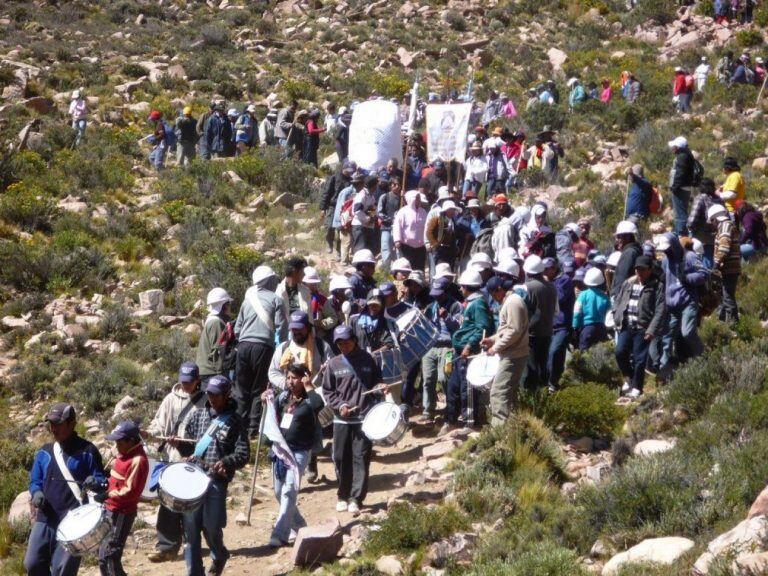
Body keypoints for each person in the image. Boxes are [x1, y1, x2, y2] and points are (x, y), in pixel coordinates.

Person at [25, 403, 106, 576]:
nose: (53, 429)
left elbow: (101, 480)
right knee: (32, 563)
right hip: (45, 517)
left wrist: (95, 481)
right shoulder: (44, 452)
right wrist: (36, 492)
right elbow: (35, 480)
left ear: (72, 423)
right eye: (51, 424)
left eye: (58, 424)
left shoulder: (88, 451)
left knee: (62, 570)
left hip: (74, 520)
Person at [181, 375, 249, 576]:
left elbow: (243, 453)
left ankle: (219, 554)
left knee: (211, 527)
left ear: (227, 395)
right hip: (194, 478)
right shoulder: (198, 416)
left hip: (216, 482)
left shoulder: (235, 421)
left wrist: (226, 462)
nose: (211, 398)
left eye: (216, 395)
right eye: (209, 393)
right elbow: (189, 443)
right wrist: (182, 447)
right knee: (191, 532)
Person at [144, 363, 207, 562]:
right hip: (172, 459)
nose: (186, 384)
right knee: (168, 503)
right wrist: (149, 433)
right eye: (183, 381)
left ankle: (193, 543)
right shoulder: (170, 399)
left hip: (194, 460)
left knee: (192, 504)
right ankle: (167, 547)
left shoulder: (206, 401)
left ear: (197, 380)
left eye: (189, 381)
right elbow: (159, 425)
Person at [322, 325, 385, 515]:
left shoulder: (368, 359)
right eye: (340, 343)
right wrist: (340, 405)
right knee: (341, 458)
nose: (344, 345)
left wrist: (381, 387)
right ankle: (342, 495)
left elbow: (376, 382)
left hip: (364, 419)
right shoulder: (333, 364)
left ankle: (356, 499)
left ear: (355, 340)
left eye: (347, 341)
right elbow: (328, 391)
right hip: (341, 420)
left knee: (361, 458)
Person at [263, 364, 318, 546]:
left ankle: (280, 534)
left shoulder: (310, 399)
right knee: (279, 492)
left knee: (288, 491)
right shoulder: (284, 398)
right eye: (288, 378)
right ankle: (300, 526)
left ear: (303, 379)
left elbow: (320, 407)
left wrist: (309, 387)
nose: (291, 381)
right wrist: (265, 399)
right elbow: (270, 411)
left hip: (300, 452)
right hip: (280, 450)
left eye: (295, 378)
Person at [235, 265, 287, 437]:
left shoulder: (247, 300)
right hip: (263, 347)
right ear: (269, 281)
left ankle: (240, 428)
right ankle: (253, 429)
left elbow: (237, 329)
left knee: (242, 389)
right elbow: (282, 328)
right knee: (259, 389)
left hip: (243, 347)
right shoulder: (276, 300)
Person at [441, 269, 494, 435]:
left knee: (467, 388)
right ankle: (451, 419)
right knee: (453, 386)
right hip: (460, 352)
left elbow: (482, 328)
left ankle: (470, 423)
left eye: (462, 287)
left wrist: (469, 346)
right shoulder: (471, 303)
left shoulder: (478, 304)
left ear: (466, 286)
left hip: (469, 354)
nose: (460, 290)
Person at [98, 420, 149, 576]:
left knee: (111, 555)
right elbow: (116, 481)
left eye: (119, 441)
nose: (116, 445)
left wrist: (108, 494)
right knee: (102, 556)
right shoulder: (123, 455)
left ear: (131, 441)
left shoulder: (138, 460)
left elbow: (131, 491)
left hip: (122, 513)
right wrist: (102, 485)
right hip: (109, 509)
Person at [613, 255, 666, 398]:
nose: (639, 273)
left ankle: (637, 387)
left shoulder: (657, 286)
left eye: (642, 270)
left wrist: (651, 329)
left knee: (639, 358)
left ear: (649, 270)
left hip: (643, 327)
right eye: (637, 270)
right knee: (620, 352)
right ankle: (630, 377)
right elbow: (618, 300)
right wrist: (616, 315)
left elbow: (660, 310)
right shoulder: (628, 283)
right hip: (626, 325)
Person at [655, 233, 706, 382]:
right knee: (666, 337)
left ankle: (701, 357)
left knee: (687, 332)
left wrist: (688, 278)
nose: (666, 251)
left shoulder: (689, 257)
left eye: (668, 248)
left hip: (687, 302)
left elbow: (704, 274)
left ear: (674, 245)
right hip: (672, 305)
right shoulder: (665, 261)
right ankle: (663, 371)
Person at [480, 276, 529, 426]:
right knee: (509, 393)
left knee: (498, 392)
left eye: (494, 295)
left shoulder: (513, 302)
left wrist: (495, 347)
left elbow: (514, 331)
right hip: (513, 353)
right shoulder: (511, 301)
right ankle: (513, 428)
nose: (494, 299)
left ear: (499, 290)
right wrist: (493, 339)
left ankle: (499, 432)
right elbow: (507, 329)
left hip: (513, 355)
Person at [421, 277, 461, 422]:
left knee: (445, 377)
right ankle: (428, 410)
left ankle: (451, 408)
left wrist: (447, 318)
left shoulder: (456, 306)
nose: (437, 297)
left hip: (449, 346)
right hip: (431, 346)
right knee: (428, 379)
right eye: (435, 294)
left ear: (446, 292)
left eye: (440, 294)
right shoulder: (431, 307)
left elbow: (460, 327)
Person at [268, 311, 333, 389]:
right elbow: (273, 373)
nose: (296, 332)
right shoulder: (283, 348)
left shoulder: (322, 346)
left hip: (317, 395)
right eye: (294, 329)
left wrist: (326, 372)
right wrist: (287, 384)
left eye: (299, 328)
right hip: (293, 396)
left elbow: (334, 370)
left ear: (308, 327)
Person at [522, 255, 558, 391]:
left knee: (531, 368)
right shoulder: (552, 288)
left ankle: (531, 401)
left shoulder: (526, 288)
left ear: (528, 272)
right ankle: (544, 393)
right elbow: (556, 311)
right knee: (543, 365)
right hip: (547, 332)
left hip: (531, 334)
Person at [709, 204, 741, 323]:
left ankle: (733, 324)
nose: (712, 224)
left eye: (712, 221)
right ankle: (723, 320)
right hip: (731, 268)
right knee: (724, 295)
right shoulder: (729, 225)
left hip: (729, 268)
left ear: (715, 218)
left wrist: (716, 264)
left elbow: (724, 247)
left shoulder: (724, 226)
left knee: (727, 297)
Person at [547, 258, 575, 391]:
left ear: (554, 268)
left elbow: (559, 297)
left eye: (548, 269)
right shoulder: (549, 282)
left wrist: (546, 285)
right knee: (549, 355)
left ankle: (553, 382)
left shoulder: (565, 280)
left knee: (555, 352)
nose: (545, 272)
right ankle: (551, 382)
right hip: (548, 326)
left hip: (562, 326)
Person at [196, 288, 233, 384]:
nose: (229, 306)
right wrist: (221, 375)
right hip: (211, 372)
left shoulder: (212, 320)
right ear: (223, 305)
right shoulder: (216, 322)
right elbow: (218, 350)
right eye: (228, 303)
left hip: (207, 371)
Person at [687, 178, 723, 269]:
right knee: (709, 258)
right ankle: (710, 277)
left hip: (701, 235)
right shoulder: (719, 199)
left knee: (696, 258)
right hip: (716, 234)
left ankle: (700, 277)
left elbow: (692, 219)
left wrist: (690, 228)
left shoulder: (700, 198)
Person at [572, 268, 611, 350]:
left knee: (585, 353)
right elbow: (609, 315)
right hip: (601, 330)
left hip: (587, 329)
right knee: (602, 355)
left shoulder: (582, 295)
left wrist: (575, 326)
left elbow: (577, 312)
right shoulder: (605, 297)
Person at [321, 163, 353, 256]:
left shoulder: (351, 181)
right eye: (348, 170)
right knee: (329, 226)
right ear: (344, 168)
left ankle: (339, 250)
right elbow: (326, 192)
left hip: (344, 208)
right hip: (333, 206)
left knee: (341, 229)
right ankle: (329, 243)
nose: (349, 173)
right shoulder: (334, 177)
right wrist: (323, 208)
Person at [393, 189, 428, 271]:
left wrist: (427, 241)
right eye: (417, 198)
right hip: (407, 247)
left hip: (421, 247)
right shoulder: (403, 211)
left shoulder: (423, 212)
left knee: (419, 269)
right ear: (411, 199)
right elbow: (397, 226)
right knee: (407, 267)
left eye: (419, 198)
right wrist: (397, 240)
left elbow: (427, 227)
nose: (419, 200)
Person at [668, 136, 696, 236]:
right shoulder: (687, 154)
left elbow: (680, 173)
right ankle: (683, 233)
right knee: (682, 212)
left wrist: (674, 187)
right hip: (686, 187)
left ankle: (681, 235)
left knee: (680, 214)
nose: (673, 148)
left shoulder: (682, 156)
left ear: (678, 147)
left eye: (674, 146)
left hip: (681, 188)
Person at [335, 171, 364, 263]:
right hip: (345, 221)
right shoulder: (347, 192)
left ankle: (348, 259)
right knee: (346, 241)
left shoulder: (359, 193)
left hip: (352, 221)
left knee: (350, 241)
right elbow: (340, 208)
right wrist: (340, 223)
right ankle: (344, 261)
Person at [611, 220, 642, 301]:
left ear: (627, 237)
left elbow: (622, 277)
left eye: (619, 237)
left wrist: (617, 298)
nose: (616, 240)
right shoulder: (636, 251)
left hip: (623, 297)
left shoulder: (629, 253)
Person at [425, 200, 461, 269]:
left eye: (454, 210)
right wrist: (434, 244)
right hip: (440, 250)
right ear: (446, 210)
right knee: (441, 268)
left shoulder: (454, 222)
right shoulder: (436, 220)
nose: (453, 211)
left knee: (450, 268)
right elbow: (429, 232)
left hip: (451, 251)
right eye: (452, 209)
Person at [276, 257, 311, 325]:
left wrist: (311, 333)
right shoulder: (278, 292)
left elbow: (309, 316)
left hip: (303, 333)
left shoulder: (305, 291)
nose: (304, 274)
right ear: (295, 272)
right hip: (285, 333)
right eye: (302, 271)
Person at [377, 176, 402, 271]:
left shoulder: (402, 199)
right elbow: (379, 213)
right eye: (394, 184)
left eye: (398, 184)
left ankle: (399, 270)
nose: (396, 186)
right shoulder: (384, 197)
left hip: (398, 229)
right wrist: (391, 220)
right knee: (386, 249)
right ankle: (386, 270)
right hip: (386, 227)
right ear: (391, 185)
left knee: (398, 251)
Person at [351, 175, 378, 253]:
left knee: (368, 250)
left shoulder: (371, 196)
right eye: (375, 186)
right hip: (359, 226)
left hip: (368, 226)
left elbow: (373, 208)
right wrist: (368, 219)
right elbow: (357, 210)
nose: (376, 188)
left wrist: (372, 217)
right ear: (372, 186)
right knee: (360, 249)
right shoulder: (362, 195)